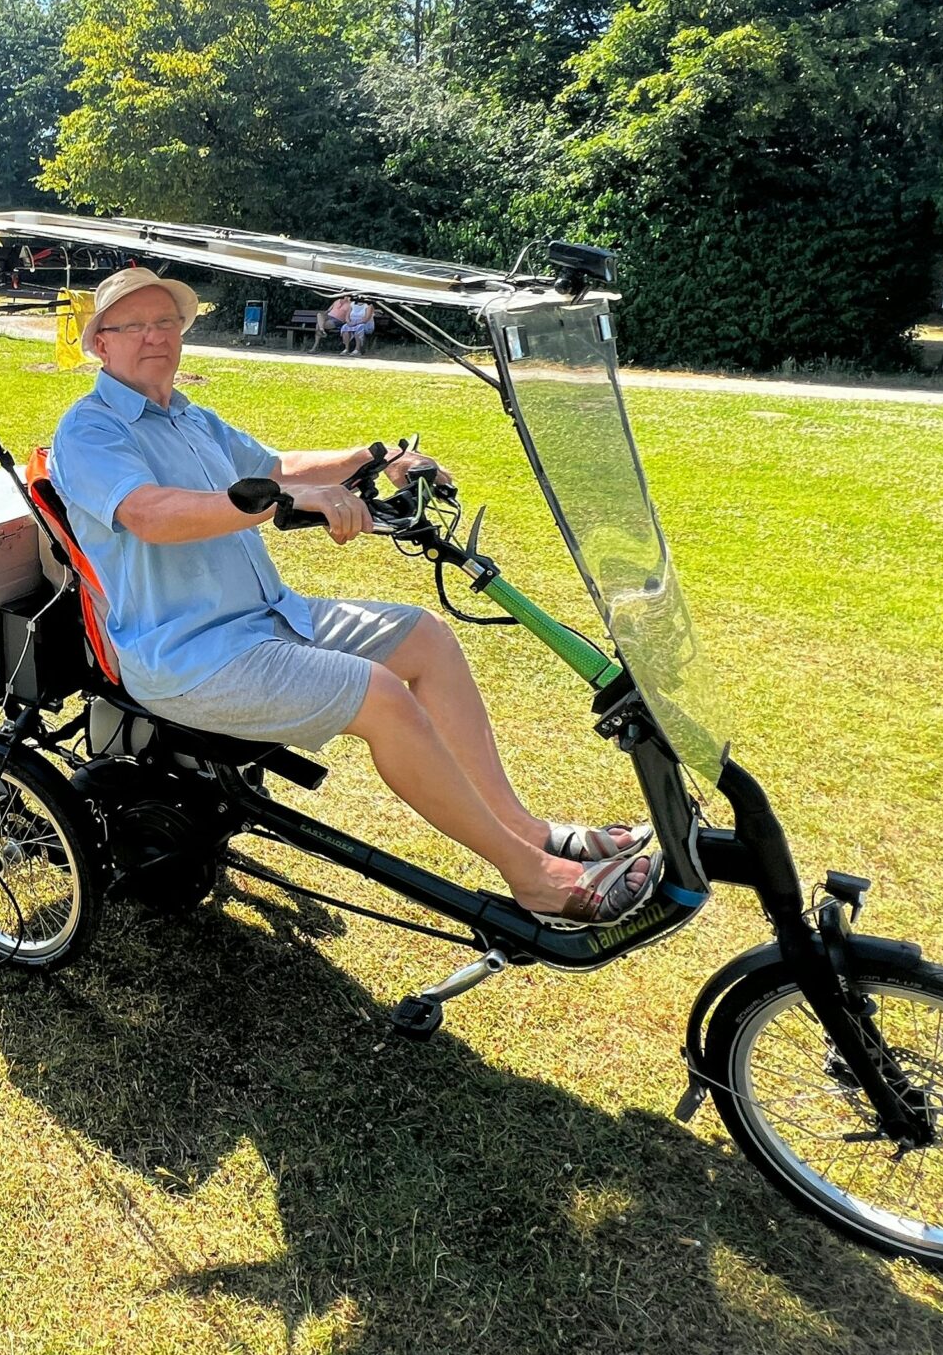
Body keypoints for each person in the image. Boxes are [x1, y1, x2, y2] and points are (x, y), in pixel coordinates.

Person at [50, 270, 658, 928]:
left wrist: (380, 458)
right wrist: (276, 504)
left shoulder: (191, 418)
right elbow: (151, 513)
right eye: (133, 326)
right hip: (190, 655)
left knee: (424, 636)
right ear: (101, 345)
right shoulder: (90, 431)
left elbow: (278, 467)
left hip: (269, 619)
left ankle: (522, 827)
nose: (154, 337)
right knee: (378, 693)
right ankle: (533, 878)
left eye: (165, 323)